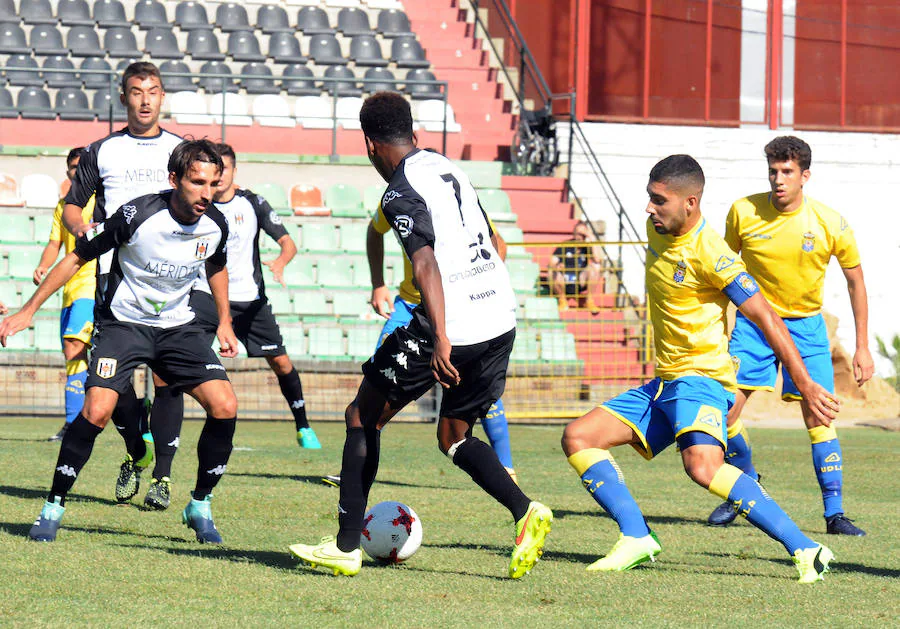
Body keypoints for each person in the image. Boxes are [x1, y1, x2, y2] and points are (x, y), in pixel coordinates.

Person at [288, 92, 552, 578]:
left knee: (360, 415)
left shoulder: (399, 190)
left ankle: (346, 547)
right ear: (413, 133)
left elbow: (424, 260)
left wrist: (443, 335)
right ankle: (526, 511)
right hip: (499, 317)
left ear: (368, 144)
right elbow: (494, 240)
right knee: (453, 435)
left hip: (451, 324)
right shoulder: (448, 167)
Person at [560, 155, 838, 583]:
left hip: (703, 380)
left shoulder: (714, 254)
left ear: (690, 203)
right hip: (666, 381)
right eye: (649, 198)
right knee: (579, 437)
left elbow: (767, 316)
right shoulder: (659, 232)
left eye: (659, 200)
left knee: (702, 466)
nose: (649, 209)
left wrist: (803, 381)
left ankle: (807, 548)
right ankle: (636, 537)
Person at [1, 139, 239, 544]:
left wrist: (224, 321)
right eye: (196, 182)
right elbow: (77, 257)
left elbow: (216, 266)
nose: (206, 192)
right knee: (96, 411)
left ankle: (199, 504)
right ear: (174, 178)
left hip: (178, 329)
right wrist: (27, 310)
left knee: (225, 405)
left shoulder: (216, 223)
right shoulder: (137, 214)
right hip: (124, 325)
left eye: (212, 184)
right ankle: (53, 507)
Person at [706, 136, 872, 536]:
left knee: (820, 417)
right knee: (724, 416)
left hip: (807, 329)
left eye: (787, 172)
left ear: (805, 176)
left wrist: (862, 346)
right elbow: (719, 273)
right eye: (773, 171)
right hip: (755, 326)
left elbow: (856, 282)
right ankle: (742, 491)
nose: (778, 180)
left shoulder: (831, 223)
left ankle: (835, 515)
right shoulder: (743, 212)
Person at [321, 201, 518, 487]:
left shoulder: (459, 199)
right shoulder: (399, 199)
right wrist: (378, 283)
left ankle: (507, 468)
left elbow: (499, 244)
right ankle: (354, 471)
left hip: (454, 309)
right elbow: (374, 231)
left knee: (477, 384)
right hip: (409, 307)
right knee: (375, 385)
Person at [62, 61, 185, 504]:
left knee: (170, 376)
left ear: (162, 96)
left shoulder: (180, 148)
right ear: (123, 97)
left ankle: (163, 479)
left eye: (153, 90)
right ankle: (137, 450)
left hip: (173, 277)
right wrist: (82, 232)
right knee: (111, 386)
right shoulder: (102, 150)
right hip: (115, 277)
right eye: (136, 91)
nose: (145, 99)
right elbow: (74, 206)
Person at [191, 143, 320, 450]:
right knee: (177, 357)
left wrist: (280, 262)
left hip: (250, 301)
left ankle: (303, 426)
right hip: (207, 297)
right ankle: (156, 427)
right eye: (215, 170)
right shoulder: (199, 204)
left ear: (234, 171)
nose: (219, 177)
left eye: (225, 169)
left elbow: (288, 243)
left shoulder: (253, 203)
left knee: (281, 362)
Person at [33, 147, 97, 441]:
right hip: (68, 288)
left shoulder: (100, 199)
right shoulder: (63, 205)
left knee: (75, 347)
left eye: (81, 166)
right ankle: (76, 421)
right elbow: (54, 242)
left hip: (91, 285)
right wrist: (44, 266)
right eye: (72, 166)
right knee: (73, 356)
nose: (76, 170)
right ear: (68, 171)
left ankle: (76, 424)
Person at [548, 220, 602, 312]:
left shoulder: (587, 247)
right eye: (578, 233)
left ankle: (589, 301)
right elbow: (552, 262)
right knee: (551, 271)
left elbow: (597, 259)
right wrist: (556, 266)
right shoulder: (565, 245)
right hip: (564, 280)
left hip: (580, 281)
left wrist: (591, 238)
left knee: (595, 267)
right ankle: (562, 301)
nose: (580, 236)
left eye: (583, 234)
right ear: (574, 233)